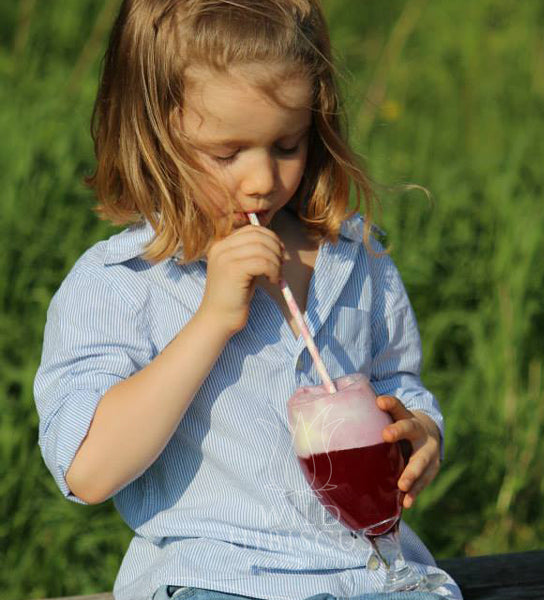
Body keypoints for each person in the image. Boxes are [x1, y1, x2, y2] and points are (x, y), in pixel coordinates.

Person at [34, 1, 462, 599]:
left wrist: (418, 430)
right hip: (220, 578)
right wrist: (211, 321)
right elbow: (89, 469)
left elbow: (397, 381)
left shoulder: (353, 255)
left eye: (287, 144)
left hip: (374, 578)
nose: (262, 179)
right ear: (153, 135)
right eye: (227, 153)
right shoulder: (120, 284)